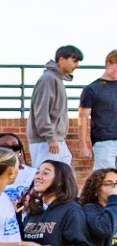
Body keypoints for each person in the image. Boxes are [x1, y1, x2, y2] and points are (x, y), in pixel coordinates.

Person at [28, 44, 82, 172]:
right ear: (61, 59)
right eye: (74, 61)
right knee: (46, 177)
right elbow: (41, 111)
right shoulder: (48, 79)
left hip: (55, 139)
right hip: (46, 141)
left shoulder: (56, 79)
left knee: (63, 178)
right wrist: (50, 137)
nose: (77, 65)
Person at [78, 50, 117, 170]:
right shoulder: (92, 89)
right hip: (104, 142)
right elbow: (83, 118)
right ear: (108, 63)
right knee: (105, 180)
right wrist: (83, 145)